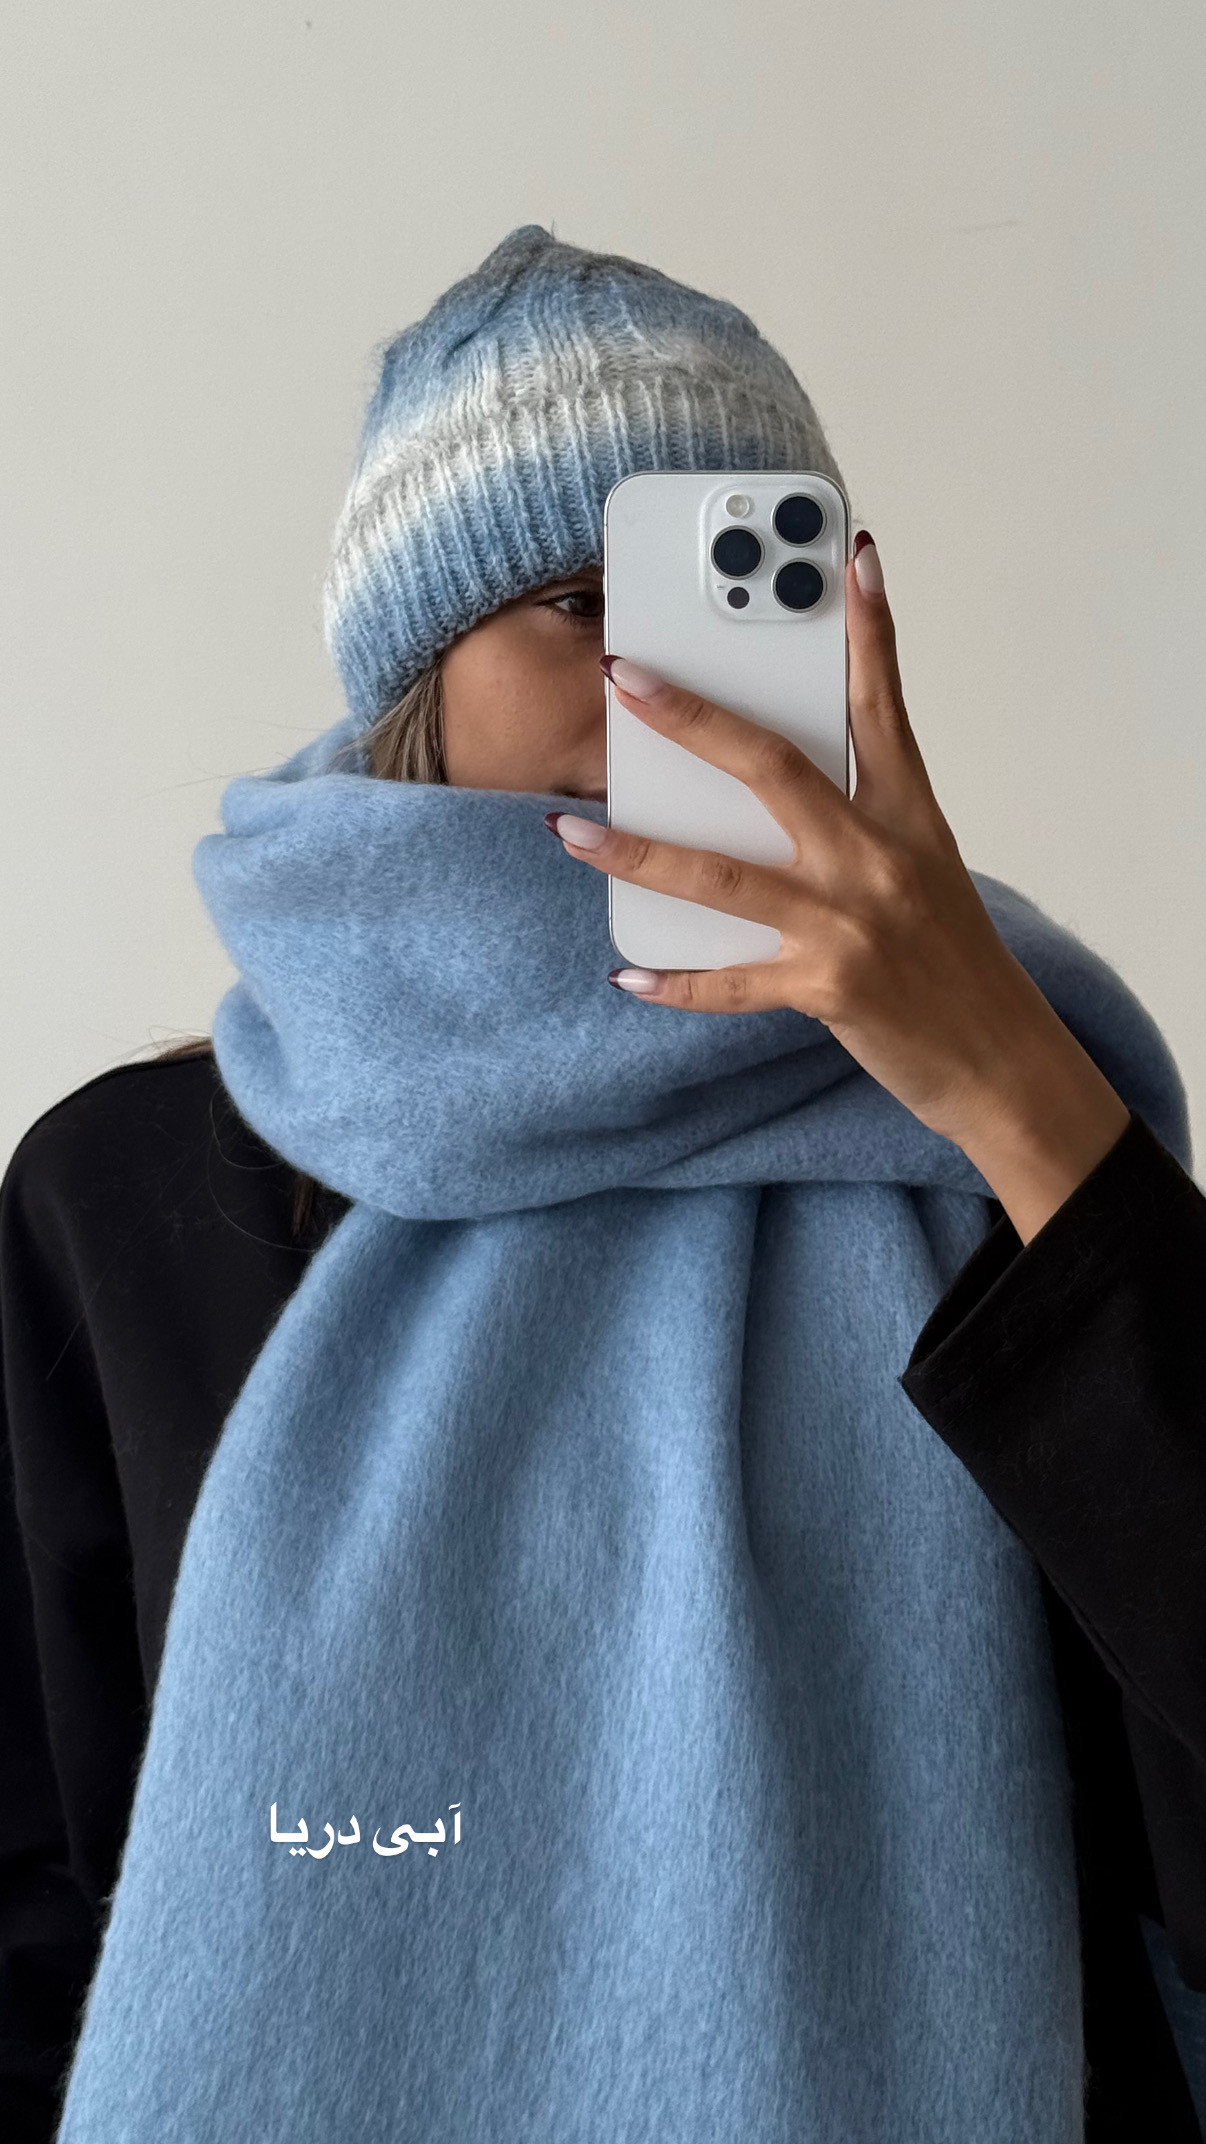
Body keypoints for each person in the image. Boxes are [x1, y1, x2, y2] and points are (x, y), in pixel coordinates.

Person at [0, 225, 1202, 2142]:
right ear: (420, 670)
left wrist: (1007, 1084)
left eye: (738, 599)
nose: (662, 683)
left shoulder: (1023, 1164)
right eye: (578, 599)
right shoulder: (126, 1197)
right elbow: (46, 1907)